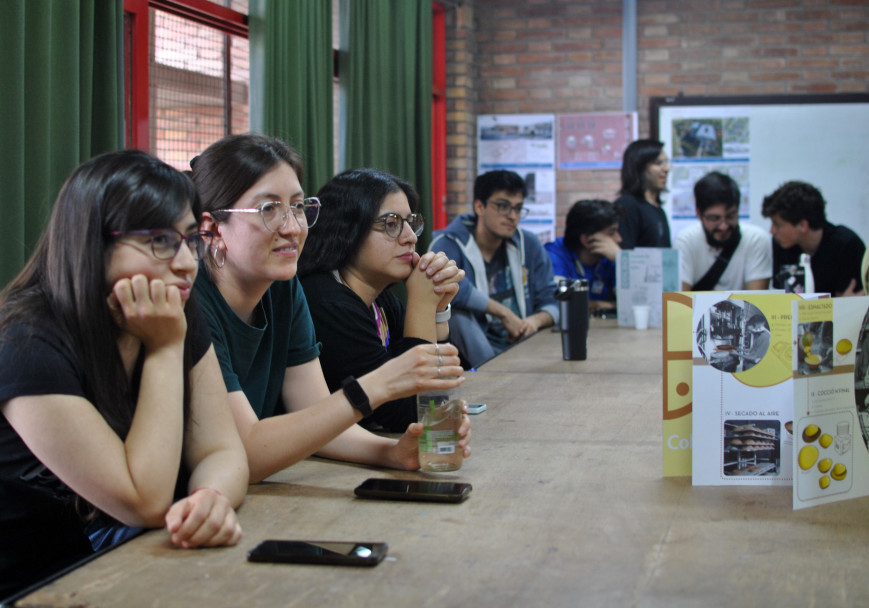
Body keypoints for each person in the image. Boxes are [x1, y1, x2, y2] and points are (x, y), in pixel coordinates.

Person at [0, 150, 248, 599]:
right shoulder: (26, 343)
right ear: (93, 243)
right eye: (159, 240)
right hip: (35, 587)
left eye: (190, 240)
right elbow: (144, 501)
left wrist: (210, 496)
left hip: (126, 568)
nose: (185, 262)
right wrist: (165, 348)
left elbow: (220, 446)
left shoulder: (174, 307)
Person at [190, 134, 471, 484]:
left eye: (296, 207)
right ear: (212, 229)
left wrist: (391, 453)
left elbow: (315, 417)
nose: (293, 227)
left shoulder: (283, 287)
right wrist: (377, 386)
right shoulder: (192, 300)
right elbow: (241, 451)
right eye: (269, 210)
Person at [298, 169, 464, 432]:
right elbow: (411, 411)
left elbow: (440, 389)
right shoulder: (327, 303)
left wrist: (438, 309)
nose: (410, 236)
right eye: (391, 224)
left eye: (410, 222)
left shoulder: (380, 298)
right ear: (348, 230)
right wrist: (421, 304)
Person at [429, 169, 559, 369]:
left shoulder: (529, 244)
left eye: (518, 208)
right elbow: (446, 285)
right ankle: (494, 372)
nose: (512, 216)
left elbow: (552, 298)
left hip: (522, 342)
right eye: (503, 206)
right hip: (476, 351)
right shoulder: (448, 243)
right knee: (456, 315)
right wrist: (503, 313)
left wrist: (534, 322)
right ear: (479, 207)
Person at [762, 180, 866, 297]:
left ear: (802, 225)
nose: (772, 231)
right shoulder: (781, 244)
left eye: (778, 224)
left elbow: (851, 300)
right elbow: (781, 297)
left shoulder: (847, 245)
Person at [675, 171, 772, 291]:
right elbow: (681, 303)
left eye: (730, 216)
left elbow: (758, 303)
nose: (723, 226)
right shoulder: (686, 241)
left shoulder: (756, 240)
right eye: (714, 219)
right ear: (699, 214)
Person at [544, 199, 621, 312]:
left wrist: (622, 260)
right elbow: (560, 303)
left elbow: (636, 302)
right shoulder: (554, 255)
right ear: (587, 240)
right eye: (611, 232)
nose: (619, 239)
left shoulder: (610, 258)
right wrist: (609, 305)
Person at [614, 139, 671, 249]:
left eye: (666, 162)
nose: (667, 168)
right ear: (640, 166)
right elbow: (624, 255)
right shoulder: (627, 205)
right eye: (658, 163)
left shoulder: (658, 209)